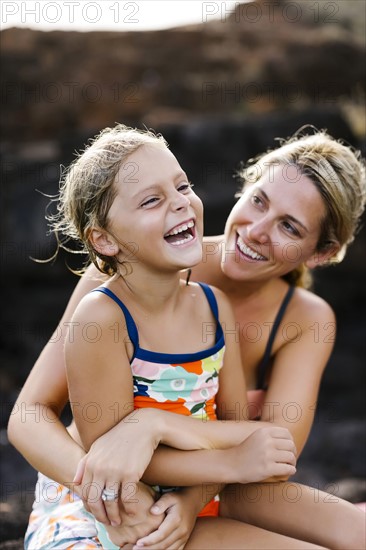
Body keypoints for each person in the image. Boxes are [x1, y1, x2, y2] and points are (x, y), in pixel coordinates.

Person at [8, 125, 365, 549]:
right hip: (111, 481)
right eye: (258, 201)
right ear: (243, 189)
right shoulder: (121, 279)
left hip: (217, 481)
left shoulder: (293, 318)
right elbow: (28, 417)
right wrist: (112, 493)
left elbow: (270, 457)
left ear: (321, 253)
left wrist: (156, 431)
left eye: (289, 227)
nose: (256, 231)